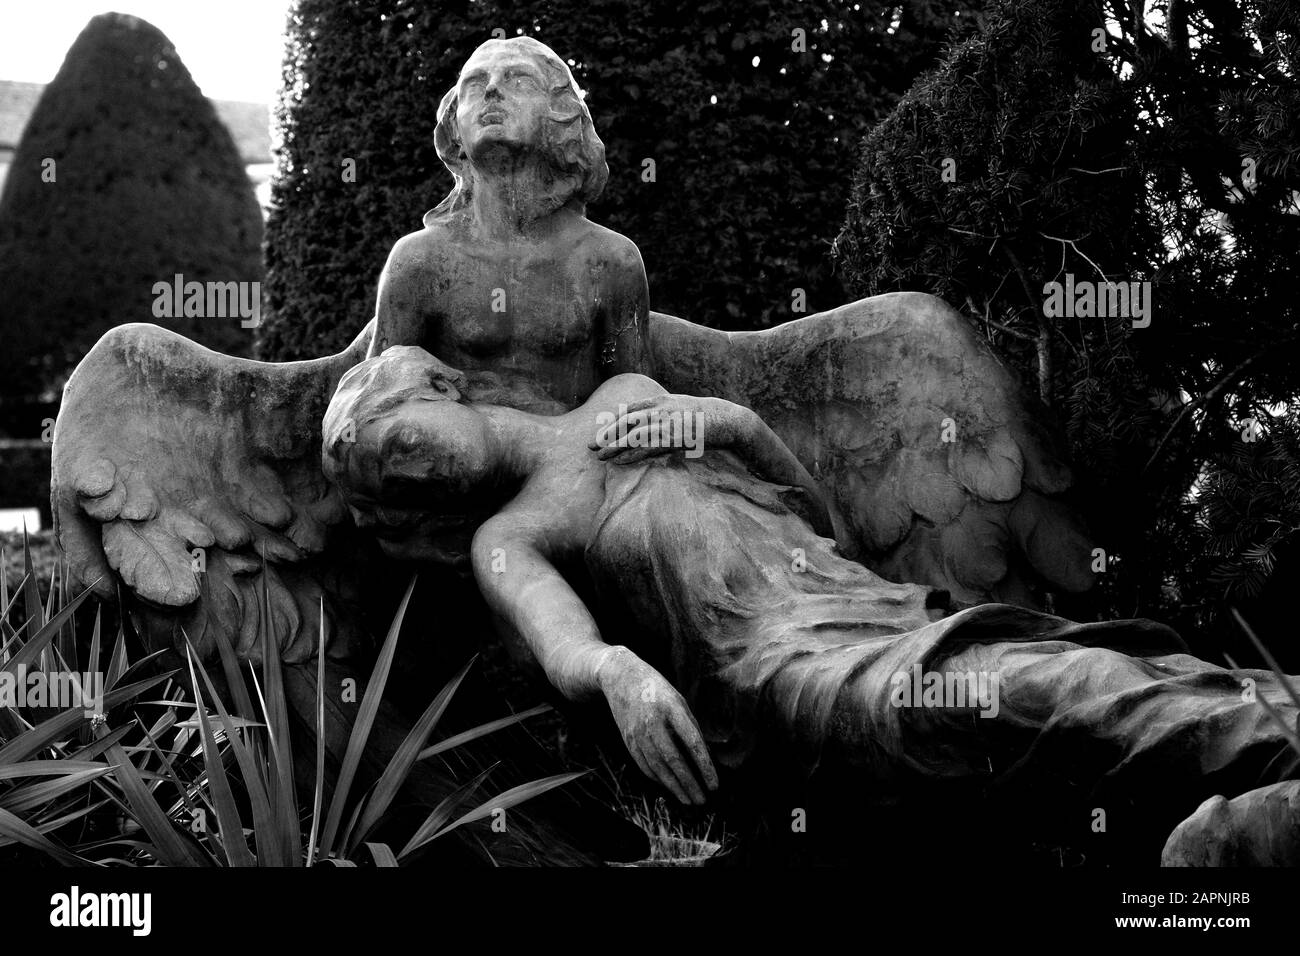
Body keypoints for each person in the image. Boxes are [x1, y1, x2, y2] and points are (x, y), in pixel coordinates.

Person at [322, 346, 1300, 855]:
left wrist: (732, 421)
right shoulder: (511, 534)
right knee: (1000, 687)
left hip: (854, 602)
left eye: (399, 439)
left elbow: (822, 519)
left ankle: (1260, 753)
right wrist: (615, 671)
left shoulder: (626, 392)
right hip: (779, 671)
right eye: (388, 477)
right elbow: (562, 640)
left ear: (441, 385)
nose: (409, 473)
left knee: (1049, 669)